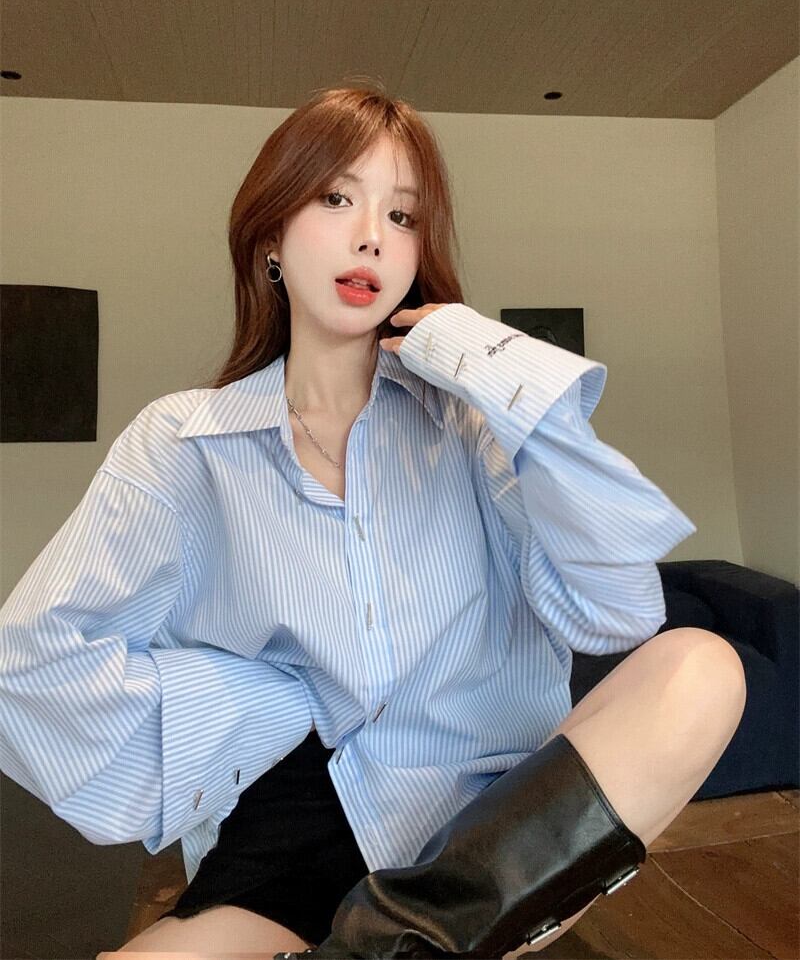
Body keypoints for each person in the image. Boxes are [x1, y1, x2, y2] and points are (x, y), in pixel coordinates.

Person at [1, 83, 745, 960]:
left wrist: (484, 362)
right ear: (271, 236)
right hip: (291, 828)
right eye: (335, 199)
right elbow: (34, 659)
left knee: (701, 669)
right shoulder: (184, 444)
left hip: (485, 840)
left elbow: (615, 611)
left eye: (402, 216)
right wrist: (275, 698)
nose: (370, 237)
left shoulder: (471, 427)